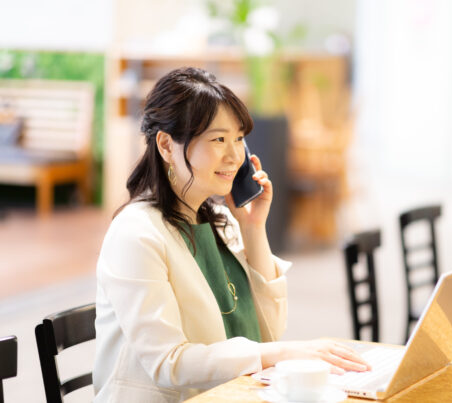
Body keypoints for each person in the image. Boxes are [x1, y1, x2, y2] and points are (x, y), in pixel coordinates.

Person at [93, 67, 369, 402]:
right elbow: (169, 363)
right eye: (218, 139)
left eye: (238, 138)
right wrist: (284, 353)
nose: (235, 156)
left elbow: (269, 330)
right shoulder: (136, 235)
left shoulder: (220, 220)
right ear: (166, 145)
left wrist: (253, 228)